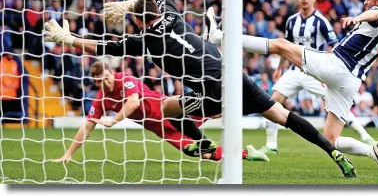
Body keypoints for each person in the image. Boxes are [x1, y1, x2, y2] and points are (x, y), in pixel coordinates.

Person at [44, 0, 356, 177]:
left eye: (132, 18)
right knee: (282, 115)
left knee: (168, 108)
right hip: (233, 74)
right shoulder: (173, 14)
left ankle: (205, 146)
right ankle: (332, 151)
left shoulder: (147, 40)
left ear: (139, 22)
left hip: (213, 90)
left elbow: (103, 48)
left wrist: (68, 38)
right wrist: (129, 4)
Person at [206, 0, 378, 169]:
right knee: (331, 138)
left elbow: (374, 14)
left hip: (337, 65)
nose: (365, 1)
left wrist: (357, 18)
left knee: (280, 45)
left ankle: (218, 36)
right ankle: (371, 150)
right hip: (351, 82)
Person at [231, 0, 377, 155]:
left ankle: (365, 135)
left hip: (316, 73)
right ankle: (271, 145)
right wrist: (280, 69)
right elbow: (287, 47)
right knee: (272, 101)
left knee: (335, 106)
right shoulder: (292, 21)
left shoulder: (321, 22)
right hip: (294, 71)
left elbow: (334, 46)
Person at [54, 61, 269, 163]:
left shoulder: (125, 80)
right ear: (94, 82)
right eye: (100, 82)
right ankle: (246, 153)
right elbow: (88, 125)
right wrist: (68, 153)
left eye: (107, 78)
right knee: (202, 153)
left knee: (216, 110)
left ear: (111, 73)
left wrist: (114, 120)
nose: (106, 83)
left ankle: (256, 103)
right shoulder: (101, 98)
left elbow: (133, 103)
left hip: (173, 111)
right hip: (161, 129)